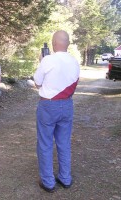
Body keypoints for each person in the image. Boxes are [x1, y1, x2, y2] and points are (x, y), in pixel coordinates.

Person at [33, 30, 80, 192]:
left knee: (45, 144)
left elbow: (37, 83)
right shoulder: (74, 62)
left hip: (48, 106)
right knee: (64, 142)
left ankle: (48, 182)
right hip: (67, 105)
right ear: (67, 44)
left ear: (53, 44)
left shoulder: (48, 60)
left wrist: (42, 61)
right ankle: (65, 178)